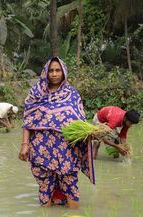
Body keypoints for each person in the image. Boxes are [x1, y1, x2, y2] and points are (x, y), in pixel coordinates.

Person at [18, 57, 95, 209]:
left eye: (57, 70)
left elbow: (80, 120)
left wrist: (88, 133)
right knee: (45, 185)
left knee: (70, 183)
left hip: (66, 148)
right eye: (51, 70)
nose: (54, 74)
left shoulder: (72, 93)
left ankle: (74, 212)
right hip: (42, 148)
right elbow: (28, 120)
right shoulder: (36, 92)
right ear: (45, 72)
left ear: (64, 72)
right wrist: (25, 145)